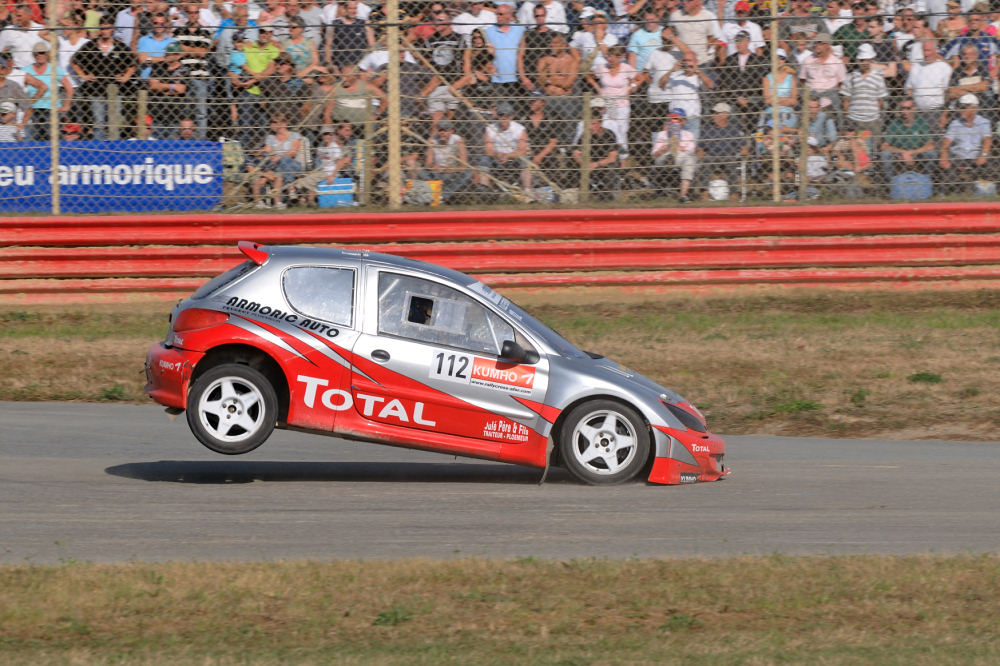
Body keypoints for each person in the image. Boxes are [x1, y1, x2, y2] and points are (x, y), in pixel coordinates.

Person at [71, 15, 137, 140]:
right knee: (98, 123)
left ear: (112, 29)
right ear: (100, 29)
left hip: (115, 91)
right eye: (103, 28)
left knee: (114, 123)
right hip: (96, 91)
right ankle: (99, 148)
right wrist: (83, 76)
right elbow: (74, 61)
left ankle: (114, 149)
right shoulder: (90, 46)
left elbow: (133, 64)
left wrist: (126, 77)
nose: (105, 31)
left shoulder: (120, 47)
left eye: (108, 28)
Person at [840, 43, 888, 157]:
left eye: (867, 60)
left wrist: (874, 112)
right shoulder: (851, 76)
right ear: (858, 60)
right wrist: (848, 116)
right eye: (862, 60)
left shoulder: (878, 77)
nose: (865, 63)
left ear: (872, 60)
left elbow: (880, 99)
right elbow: (846, 99)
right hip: (854, 119)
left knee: (874, 149)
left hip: (872, 119)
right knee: (855, 150)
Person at [251, 112, 305, 208]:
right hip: (277, 167)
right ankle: (287, 194)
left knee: (284, 160)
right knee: (279, 171)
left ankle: (290, 187)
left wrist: (280, 157)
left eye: (275, 122)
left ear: (284, 123)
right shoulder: (271, 138)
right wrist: (264, 153)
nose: (272, 124)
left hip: (294, 165)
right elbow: (267, 152)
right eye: (271, 122)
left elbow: (293, 153)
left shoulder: (294, 135)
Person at [939, 93, 993, 189]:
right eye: (960, 107)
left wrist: (983, 155)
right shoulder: (955, 124)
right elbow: (946, 143)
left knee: (992, 164)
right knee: (944, 168)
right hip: (958, 158)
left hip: (976, 158)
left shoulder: (983, 122)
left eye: (964, 107)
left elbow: (987, 140)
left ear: (974, 108)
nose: (960, 110)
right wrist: (944, 157)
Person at [21, 42, 72, 141]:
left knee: (53, 139)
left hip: (52, 110)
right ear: (34, 55)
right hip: (33, 109)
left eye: (42, 53)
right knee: (31, 139)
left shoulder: (53, 69)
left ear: (47, 54)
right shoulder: (26, 70)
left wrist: (66, 104)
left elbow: (69, 87)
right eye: (37, 53)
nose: (40, 55)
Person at [476, 100, 531, 192]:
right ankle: (483, 190)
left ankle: (527, 192)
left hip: (513, 160)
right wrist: (497, 155)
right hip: (496, 159)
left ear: (512, 116)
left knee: (525, 160)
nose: (504, 118)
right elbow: (488, 150)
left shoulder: (519, 129)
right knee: (483, 159)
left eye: (507, 115)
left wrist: (507, 156)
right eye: (501, 115)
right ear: (497, 116)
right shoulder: (490, 128)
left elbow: (523, 151)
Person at [697, 102, 747, 199]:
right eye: (713, 113)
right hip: (711, 156)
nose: (713, 115)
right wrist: (699, 153)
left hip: (729, 156)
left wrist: (738, 155)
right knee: (706, 162)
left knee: (731, 163)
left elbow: (744, 148)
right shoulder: (707, 129)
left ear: (725, 115)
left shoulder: (733, 130)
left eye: (716, 113)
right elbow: (699, 147)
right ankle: (705, 193)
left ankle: (734, 194)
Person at [573, 97, 621, 199]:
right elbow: (576, 153)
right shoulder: (585, 135)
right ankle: (581, 196)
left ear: (600, 123)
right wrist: (583, 163)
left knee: (611, 170)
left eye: (593, 124)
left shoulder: (609, 134)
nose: (590, 127)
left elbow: (612, 158)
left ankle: (606, 197)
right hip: (589, 164)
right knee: (572, 167)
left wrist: (596, 164)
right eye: (589, 124)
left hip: (604, 165)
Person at [879, 96, 936, 179]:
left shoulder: (921, 122)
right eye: (902, 108)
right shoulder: (894, 123)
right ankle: (891, 183)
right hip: (898, 153)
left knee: (932, 153)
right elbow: (884, 146)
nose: (904, 111)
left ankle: (925, 180)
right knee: (885, 154)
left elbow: (930, 145)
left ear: (914, 108)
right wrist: (903, 153)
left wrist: (912, 153)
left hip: (917, 152)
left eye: (908, 108)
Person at [420, 120, 473, 203]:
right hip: (437, 173)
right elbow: (428, 163)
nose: (442, 132)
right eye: (440, 130)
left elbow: (464, 165)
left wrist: (453, 169)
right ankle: (442, 195)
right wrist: (434, 166)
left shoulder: (458, 140)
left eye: (445, 130)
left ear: (451, 131)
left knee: (469, 172)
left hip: (453, 174)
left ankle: (443, 195)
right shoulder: (432, 141)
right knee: (421, 172)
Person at [904, 39, 952, 130]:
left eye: (928, 50)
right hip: (918, 112)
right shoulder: (916, 67)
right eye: (924, 50)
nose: (926, 54)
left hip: (936, 112)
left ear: (935, 51)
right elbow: (909, 89)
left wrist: (945, 114)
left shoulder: (944, 68)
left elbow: (949, 94)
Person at [652, 107, 697, 201]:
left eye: (677, 119)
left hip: (681, 158)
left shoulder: (688, 135)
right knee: (670, 155)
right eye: (672, 119)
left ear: (683, 121)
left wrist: (671, 145)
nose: (674, 122)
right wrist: (662, 150)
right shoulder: (662, 134)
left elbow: (690, 150)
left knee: (689, 160)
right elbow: (654, 155)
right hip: (663, 158)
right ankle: (670, 158)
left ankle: (683, 195)